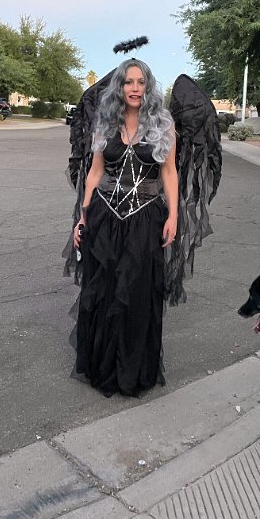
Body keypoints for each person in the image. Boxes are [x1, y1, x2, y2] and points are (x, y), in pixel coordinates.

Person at [71, 58, 178, 397]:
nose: (134, 88)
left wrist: (173, 215)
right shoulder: (105, 123)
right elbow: (95, 172)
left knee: (137, 294)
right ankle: (103, 367)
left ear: (148, 87)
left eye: (140, 82)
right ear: (119, 87)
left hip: (146, 219)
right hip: (105, 218)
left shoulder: (163, 124)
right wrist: (83, 215)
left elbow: (169, 173)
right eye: (128, 82)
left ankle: (133, 371)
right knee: (104, 292)